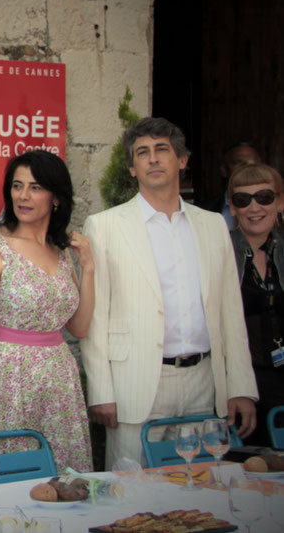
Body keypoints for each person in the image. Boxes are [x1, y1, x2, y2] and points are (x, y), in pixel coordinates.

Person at [82, 117, 258, 468]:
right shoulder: (104, 226)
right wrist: (101, 391)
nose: (153, 159)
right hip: (137, 381)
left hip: (203, 380)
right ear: (132, 168)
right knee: (131, 492)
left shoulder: (213, 226)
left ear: (182, 160)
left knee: (201, 489)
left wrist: (240, 385)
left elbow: (230, 312)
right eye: (142, 153)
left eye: (162, 149)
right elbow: (95, 316)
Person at [0, 150, 94, 473]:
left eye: (35, 187)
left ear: (56, 198)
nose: (23, 195)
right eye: (17, 186)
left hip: (59, 385)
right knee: (10, 478)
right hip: (9, 380)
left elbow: (80, 327)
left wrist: (87, 267)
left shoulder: (61, 252)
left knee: (63, 483)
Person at [228, 162, 284, 447]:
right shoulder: (221, 252)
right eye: (242, 199)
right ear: (232, 207)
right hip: (243, 386)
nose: (254, 207)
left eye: (264, 197)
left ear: (280, 201)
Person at [200, 142, 261, 229]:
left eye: (252, 163)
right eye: (239, 163)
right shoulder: (203, 211)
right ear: (224, 170)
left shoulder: (275, 206)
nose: (246, 167)